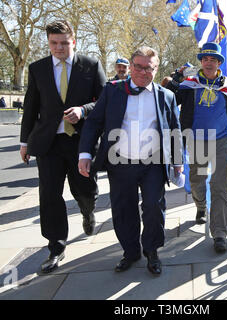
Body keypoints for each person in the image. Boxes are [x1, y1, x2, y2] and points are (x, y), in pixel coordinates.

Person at [78, 46, 183, 275]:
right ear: (131, 66)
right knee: (123, 209)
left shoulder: (166, 96)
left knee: (154, 208)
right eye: (138, 66)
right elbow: (94, 122)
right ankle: (130, 251)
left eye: (149, 67)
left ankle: (152, 251)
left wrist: (178, 161)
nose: (143, 72)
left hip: (153, 163)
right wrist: (85, 154)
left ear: (156, 69)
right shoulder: (112, 90)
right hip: (120, 162)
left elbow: (174, 129)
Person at [19, 20, 107, 274]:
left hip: (81, 142)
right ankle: (55, 247)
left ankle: (87, 211)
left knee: (85, 190)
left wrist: (83, 110)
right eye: (53, 43)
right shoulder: (38, 69)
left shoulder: (90, 66)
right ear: (48, 43)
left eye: (64, 43)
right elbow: (31, 108)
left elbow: (104, 101)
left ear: (74, 42)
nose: (58, 48)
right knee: (49, 196)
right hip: (48, 144)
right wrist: (25, 142)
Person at [166, 42, 227, 254]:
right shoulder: (189, 85)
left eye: (213, 59)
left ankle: (220, 233)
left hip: (222, 141)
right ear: (201, 62)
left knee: (219, 185)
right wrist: (175, 78)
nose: (209, 62)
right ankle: (201, 205)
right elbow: (167, 99)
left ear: (219, 63)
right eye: (205, 59)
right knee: (196, 180)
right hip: (196, 140)